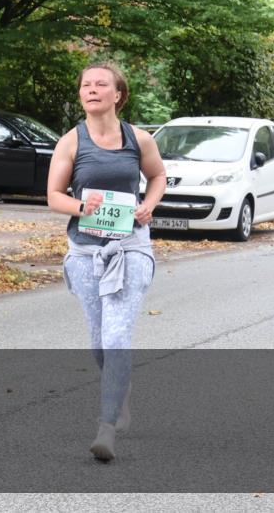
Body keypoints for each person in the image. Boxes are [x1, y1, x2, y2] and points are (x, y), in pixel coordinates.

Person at [46, 62, 167, 461]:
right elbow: (53, 196)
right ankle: (121, 394)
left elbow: (158, 176)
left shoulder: (139, 139)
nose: (92, 89)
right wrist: (82, 205)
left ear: (118, 94)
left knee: (116, 337)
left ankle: (106, 426)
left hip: (130, 246)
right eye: (86, 84)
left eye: (101, 84)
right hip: (84, 252)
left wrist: (148, 205)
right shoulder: (71, 142)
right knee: (99, 340)